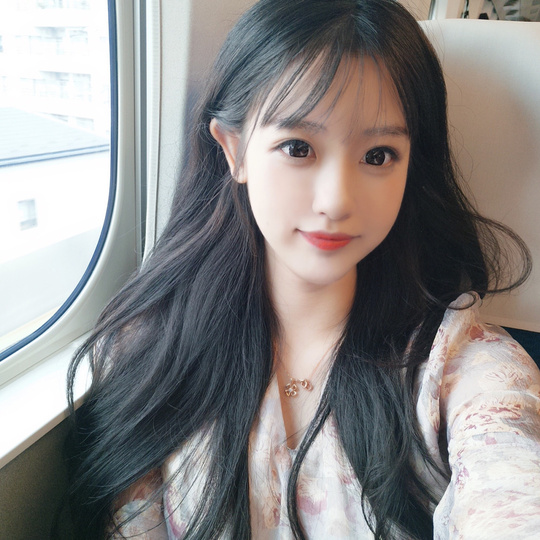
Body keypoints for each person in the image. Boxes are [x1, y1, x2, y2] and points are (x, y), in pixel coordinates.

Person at [65, 0, 540, 538]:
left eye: (379, 156)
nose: (336, 201)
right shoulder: (152, 349)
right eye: (298, 148)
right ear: (235, 151)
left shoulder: (461, 369)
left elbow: (511, 490)